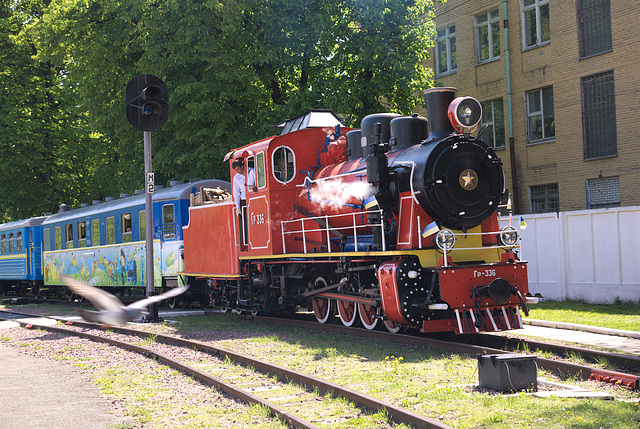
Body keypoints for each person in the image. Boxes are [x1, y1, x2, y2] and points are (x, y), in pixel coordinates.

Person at [231, 159, 256, 249]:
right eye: (236, 171)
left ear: (242, 166)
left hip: (254, 198)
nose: (237, 172)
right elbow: (236, 193)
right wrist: (238, 207)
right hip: (244, 200)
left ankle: (255, 242)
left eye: (238, 169)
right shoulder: (236, 178)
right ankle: (248, 245)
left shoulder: (252, 172)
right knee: (246, 223)